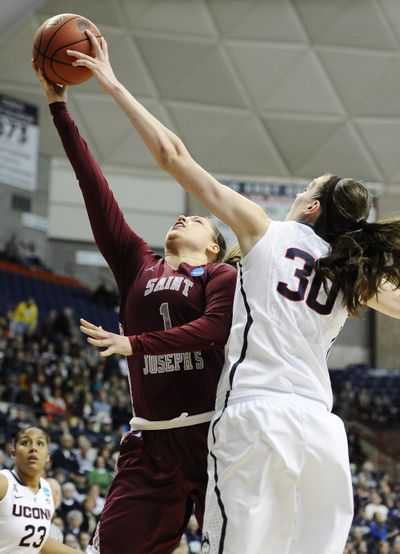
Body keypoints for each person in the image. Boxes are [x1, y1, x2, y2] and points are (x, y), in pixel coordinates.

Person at [61, 30, 400, 554]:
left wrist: (112, 85)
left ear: (310, 208)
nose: (298, 193)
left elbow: (174, 156)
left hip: (257, 416)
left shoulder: (264, 232)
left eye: (305, 188)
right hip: (321, 433)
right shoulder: (349, 270)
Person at [33, 55, 237, 553]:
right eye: (180, 216)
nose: (183, 218)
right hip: (152, 443)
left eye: (196, 220)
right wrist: (59, 107)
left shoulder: (222, 274)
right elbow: (94, 189)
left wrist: (134, 343)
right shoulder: (137, 263)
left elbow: (214, 329)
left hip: (217, 441)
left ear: (213, 245)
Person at [0, 426, 84, 553]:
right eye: (25, 443)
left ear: (47, 456)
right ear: (13, 454)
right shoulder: (4, 482)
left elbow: (39, 541)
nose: (33, 448)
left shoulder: (47, 490)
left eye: (40, 443)